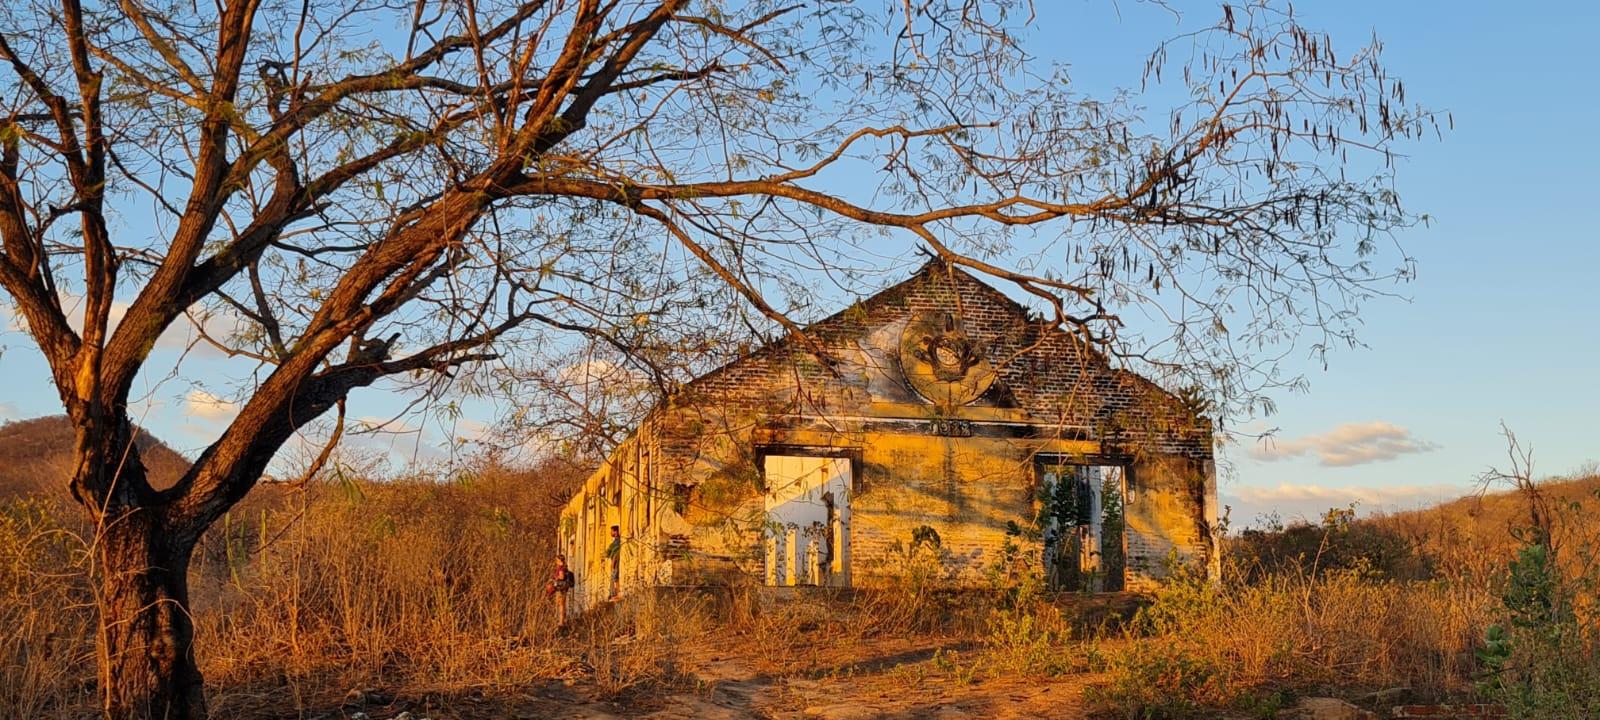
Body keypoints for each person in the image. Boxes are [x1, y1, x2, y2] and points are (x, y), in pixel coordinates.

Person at [544, 554, 575, 624]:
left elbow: (562, 577)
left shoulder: (561, 568)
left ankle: (561, 622)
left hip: (560, 588)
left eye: (557, 560)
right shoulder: (564, 567)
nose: (556, 561)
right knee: (562, 604)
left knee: (561, 605)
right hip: (563, 588)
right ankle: (563, 620)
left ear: (559, 560)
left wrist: (555, 578)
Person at [603, 525, 621, 600]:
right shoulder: (615, 541)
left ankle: (616, 593)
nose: (611, 532)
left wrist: (613, 560)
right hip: (613, 560)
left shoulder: (617, 542)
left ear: (616, 532)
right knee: (614, 577)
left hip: (615, 561)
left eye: (612, 531)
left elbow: (613, 551)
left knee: (615, 577)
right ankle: (613, 593)